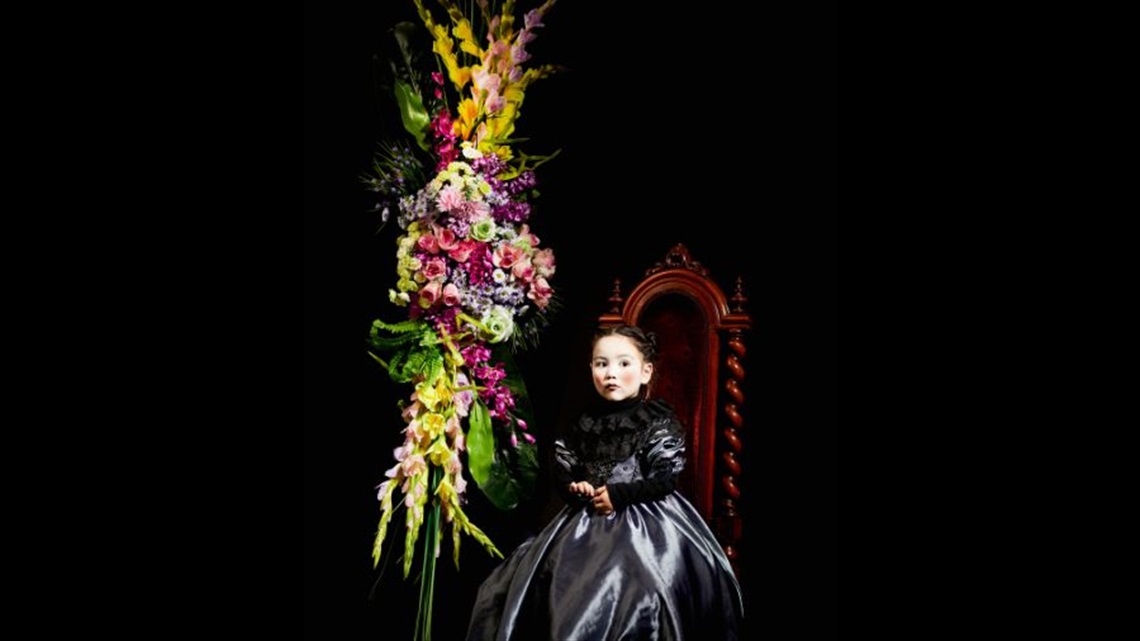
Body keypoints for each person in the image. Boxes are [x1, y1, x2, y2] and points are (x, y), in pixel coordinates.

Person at [466, 324, 745, 640]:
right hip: (586, 523)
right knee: (554, 580)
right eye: (602, 364)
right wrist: (575, 486)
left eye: (624, 363)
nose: (611, 372)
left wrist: (620, 494)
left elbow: (665, 479)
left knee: (644, 587)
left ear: (645, 372)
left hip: (647, 521)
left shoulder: (655, 420)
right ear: (591, 369)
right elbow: (565, 466)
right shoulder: (584, 423)